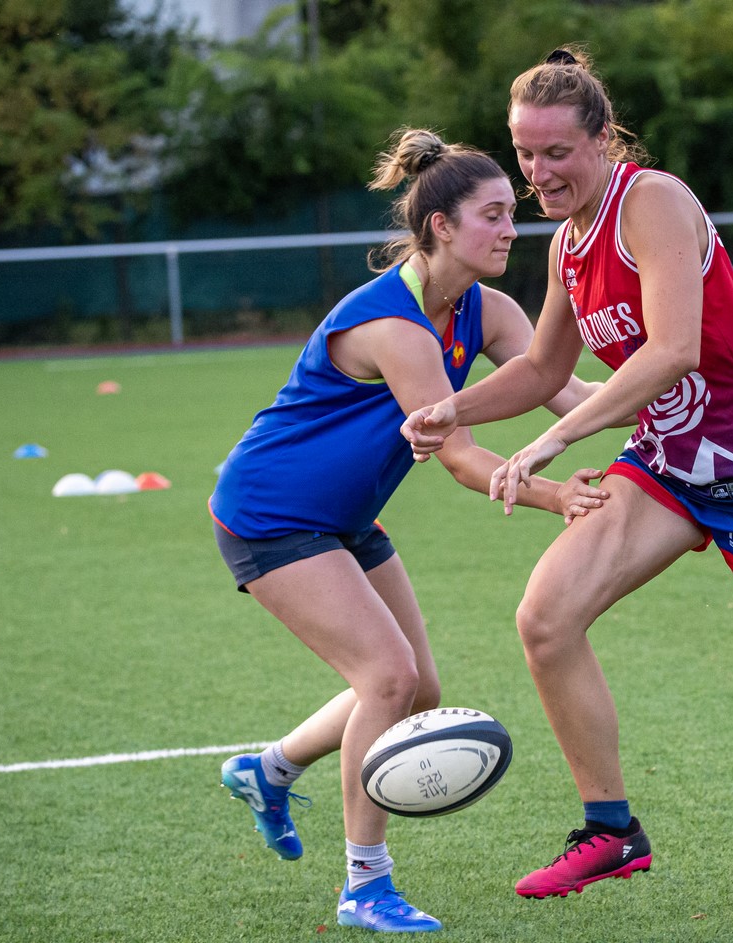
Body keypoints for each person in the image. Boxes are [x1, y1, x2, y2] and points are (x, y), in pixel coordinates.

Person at [402, 47, 733, 908]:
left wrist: (554, 439)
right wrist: (450, 410)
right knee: (545, 618)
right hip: (668, 466)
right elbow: (541, 368)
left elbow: (672, 348)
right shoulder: (567, 245)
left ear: (602, 137)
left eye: (556, 152)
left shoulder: (652, 202)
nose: (538, 173)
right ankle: (610, 831)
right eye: (525, 154)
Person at [209, 128, 610, 934]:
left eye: (511, 213)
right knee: (388, 680)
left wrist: (671, 405)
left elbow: (566, 392)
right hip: (271, 512)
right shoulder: (394, 326)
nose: (511, 228)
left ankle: (269, 768)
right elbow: (457, 456)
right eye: (493, 215)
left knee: (416, 689)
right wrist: (553, 493)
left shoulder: (487, 309)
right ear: (441, 227)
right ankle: (364, 885)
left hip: (345, 518)